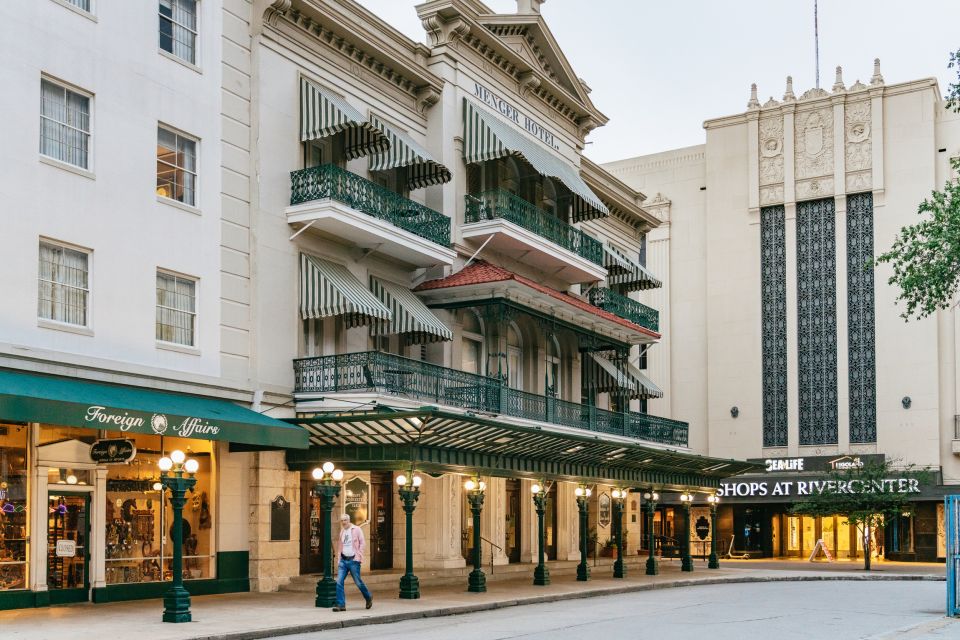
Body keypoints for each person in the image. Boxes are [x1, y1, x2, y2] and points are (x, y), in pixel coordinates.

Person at [333, 514, 372, 612]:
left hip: (353, 560)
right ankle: (341, 605)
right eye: (342, 520)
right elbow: (340, 546)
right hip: (343, 560)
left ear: (349, 520)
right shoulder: (342, 531)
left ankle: (368, 597)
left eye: (345, 520)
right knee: (339, 582)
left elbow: (362, 543)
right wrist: (339, 559)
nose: (343, 522)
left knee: (358, 582)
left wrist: (358, 556)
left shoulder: (357, 529)